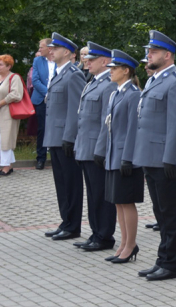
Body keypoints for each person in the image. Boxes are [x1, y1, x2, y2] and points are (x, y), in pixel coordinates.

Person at [134, 30, 176, 281]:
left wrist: (171, 158)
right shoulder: (154, 80)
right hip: (150, 156)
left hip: (164, 159)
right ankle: (162, 258)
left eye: (153, 52)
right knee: (160, 212)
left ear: (167, 55)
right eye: (149, 51)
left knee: (171, 212)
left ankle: (172, 264)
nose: (149, 55)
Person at [96, 50, 144, 264]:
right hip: (114, 154)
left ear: (126, 71)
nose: (111, 72)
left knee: (127, 201)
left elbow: (134, 128)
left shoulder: (133, 94)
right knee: (118, 202)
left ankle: (131, 244)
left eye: (114, 69)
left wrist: (128, 157)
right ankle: (124, 243)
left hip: (126, 156)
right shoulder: (116, 93)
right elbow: (109, 126)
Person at [74, 42, 118, 252]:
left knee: (101, 195)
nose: (87, 62)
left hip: (96, 151)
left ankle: (104, 236)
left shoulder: (108, 84)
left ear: (105, 61)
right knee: (92, 195)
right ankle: (95, 233)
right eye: (87, 59)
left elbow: (105, 122)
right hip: (86, 148)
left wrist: (100, 150)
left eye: (91, 60)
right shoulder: (92, 82)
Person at [42, 33, 86, 241]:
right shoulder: (59, 73)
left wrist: (70, 137)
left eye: (55, 48)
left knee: (71, 183)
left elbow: (75, 109)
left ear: (67, 52)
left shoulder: (73, 74)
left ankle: (73, 225)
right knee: (61, 183)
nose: (50, 51)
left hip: (65, 139)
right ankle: (65, 221)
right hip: (55, 137)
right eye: (50, 48)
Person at [0, 55, 24, 176]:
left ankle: (6, 167)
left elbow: (16, 94)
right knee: (0, 139)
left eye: (1, 64)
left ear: (9, 66)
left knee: (5, 140)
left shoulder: (14, 77)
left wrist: (0, 103)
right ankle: (9, 164)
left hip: (7, 113)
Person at [31, 38, 53, 170]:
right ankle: (41, 158)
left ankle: (56, 158)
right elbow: (35, 79)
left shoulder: (58, 61)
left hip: (58, 101)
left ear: (50, 48)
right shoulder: (38, 60)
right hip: (41, 99)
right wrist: (48, 93)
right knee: (42, 129)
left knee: (56, 127)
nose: (39, 50)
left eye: (41, 47)